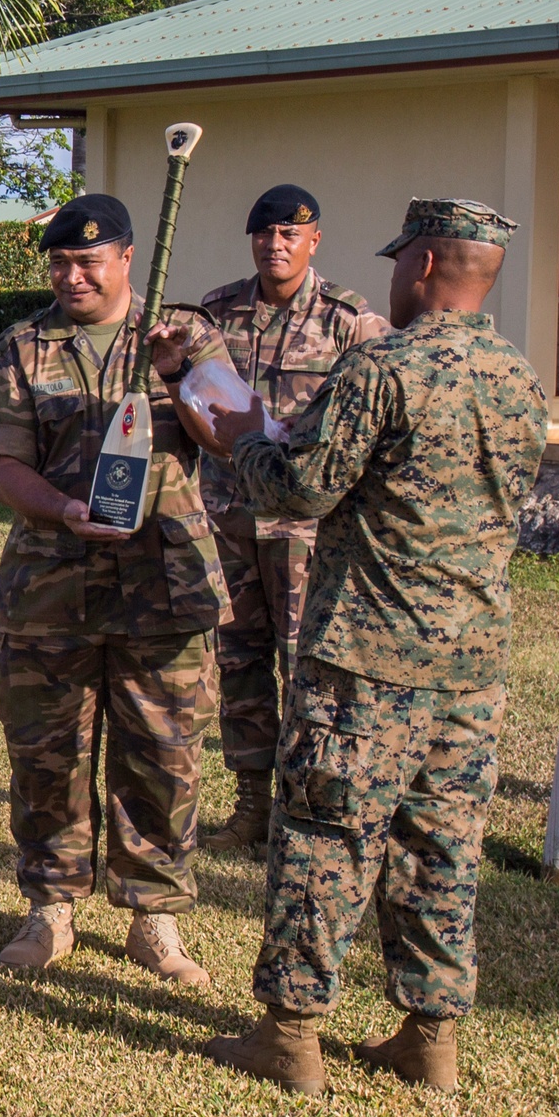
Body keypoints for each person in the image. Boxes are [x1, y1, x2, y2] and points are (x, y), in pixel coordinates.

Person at [200, 198, 549, 1092]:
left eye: (401, 261)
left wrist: (244, 441)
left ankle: (290, 1035)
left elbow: (304, 489)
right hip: (471, 664)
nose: (391, 276)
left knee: (325, 836)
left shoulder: (381, 366)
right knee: (443, 842)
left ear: (426, 265)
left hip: (367, 655)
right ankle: (430, 1038)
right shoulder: (519, 377)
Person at [0, 193, 233, 986]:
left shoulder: (182, 336)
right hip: (51, 590)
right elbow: (0, 460)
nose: (73, 275)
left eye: (89, 261)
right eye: (60, 262)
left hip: (166, 586)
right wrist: (61, 509)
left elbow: (235, 432)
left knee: (164, 756)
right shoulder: (24, 346)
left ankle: (154, 921)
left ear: (126, 259)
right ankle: (50, 909)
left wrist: (182, 375)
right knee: (47, 753)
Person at [198, 184, 390, 852]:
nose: (274, 246)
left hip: (307, 529)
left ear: (314, 240)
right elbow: (192, 395)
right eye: (263, 234)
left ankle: (301, 812)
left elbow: (378, 415)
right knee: (240, 660)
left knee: (306, 666)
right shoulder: (218, 311)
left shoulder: (349, 319)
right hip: (230, 516)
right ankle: (251, 806)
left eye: (288, 234)